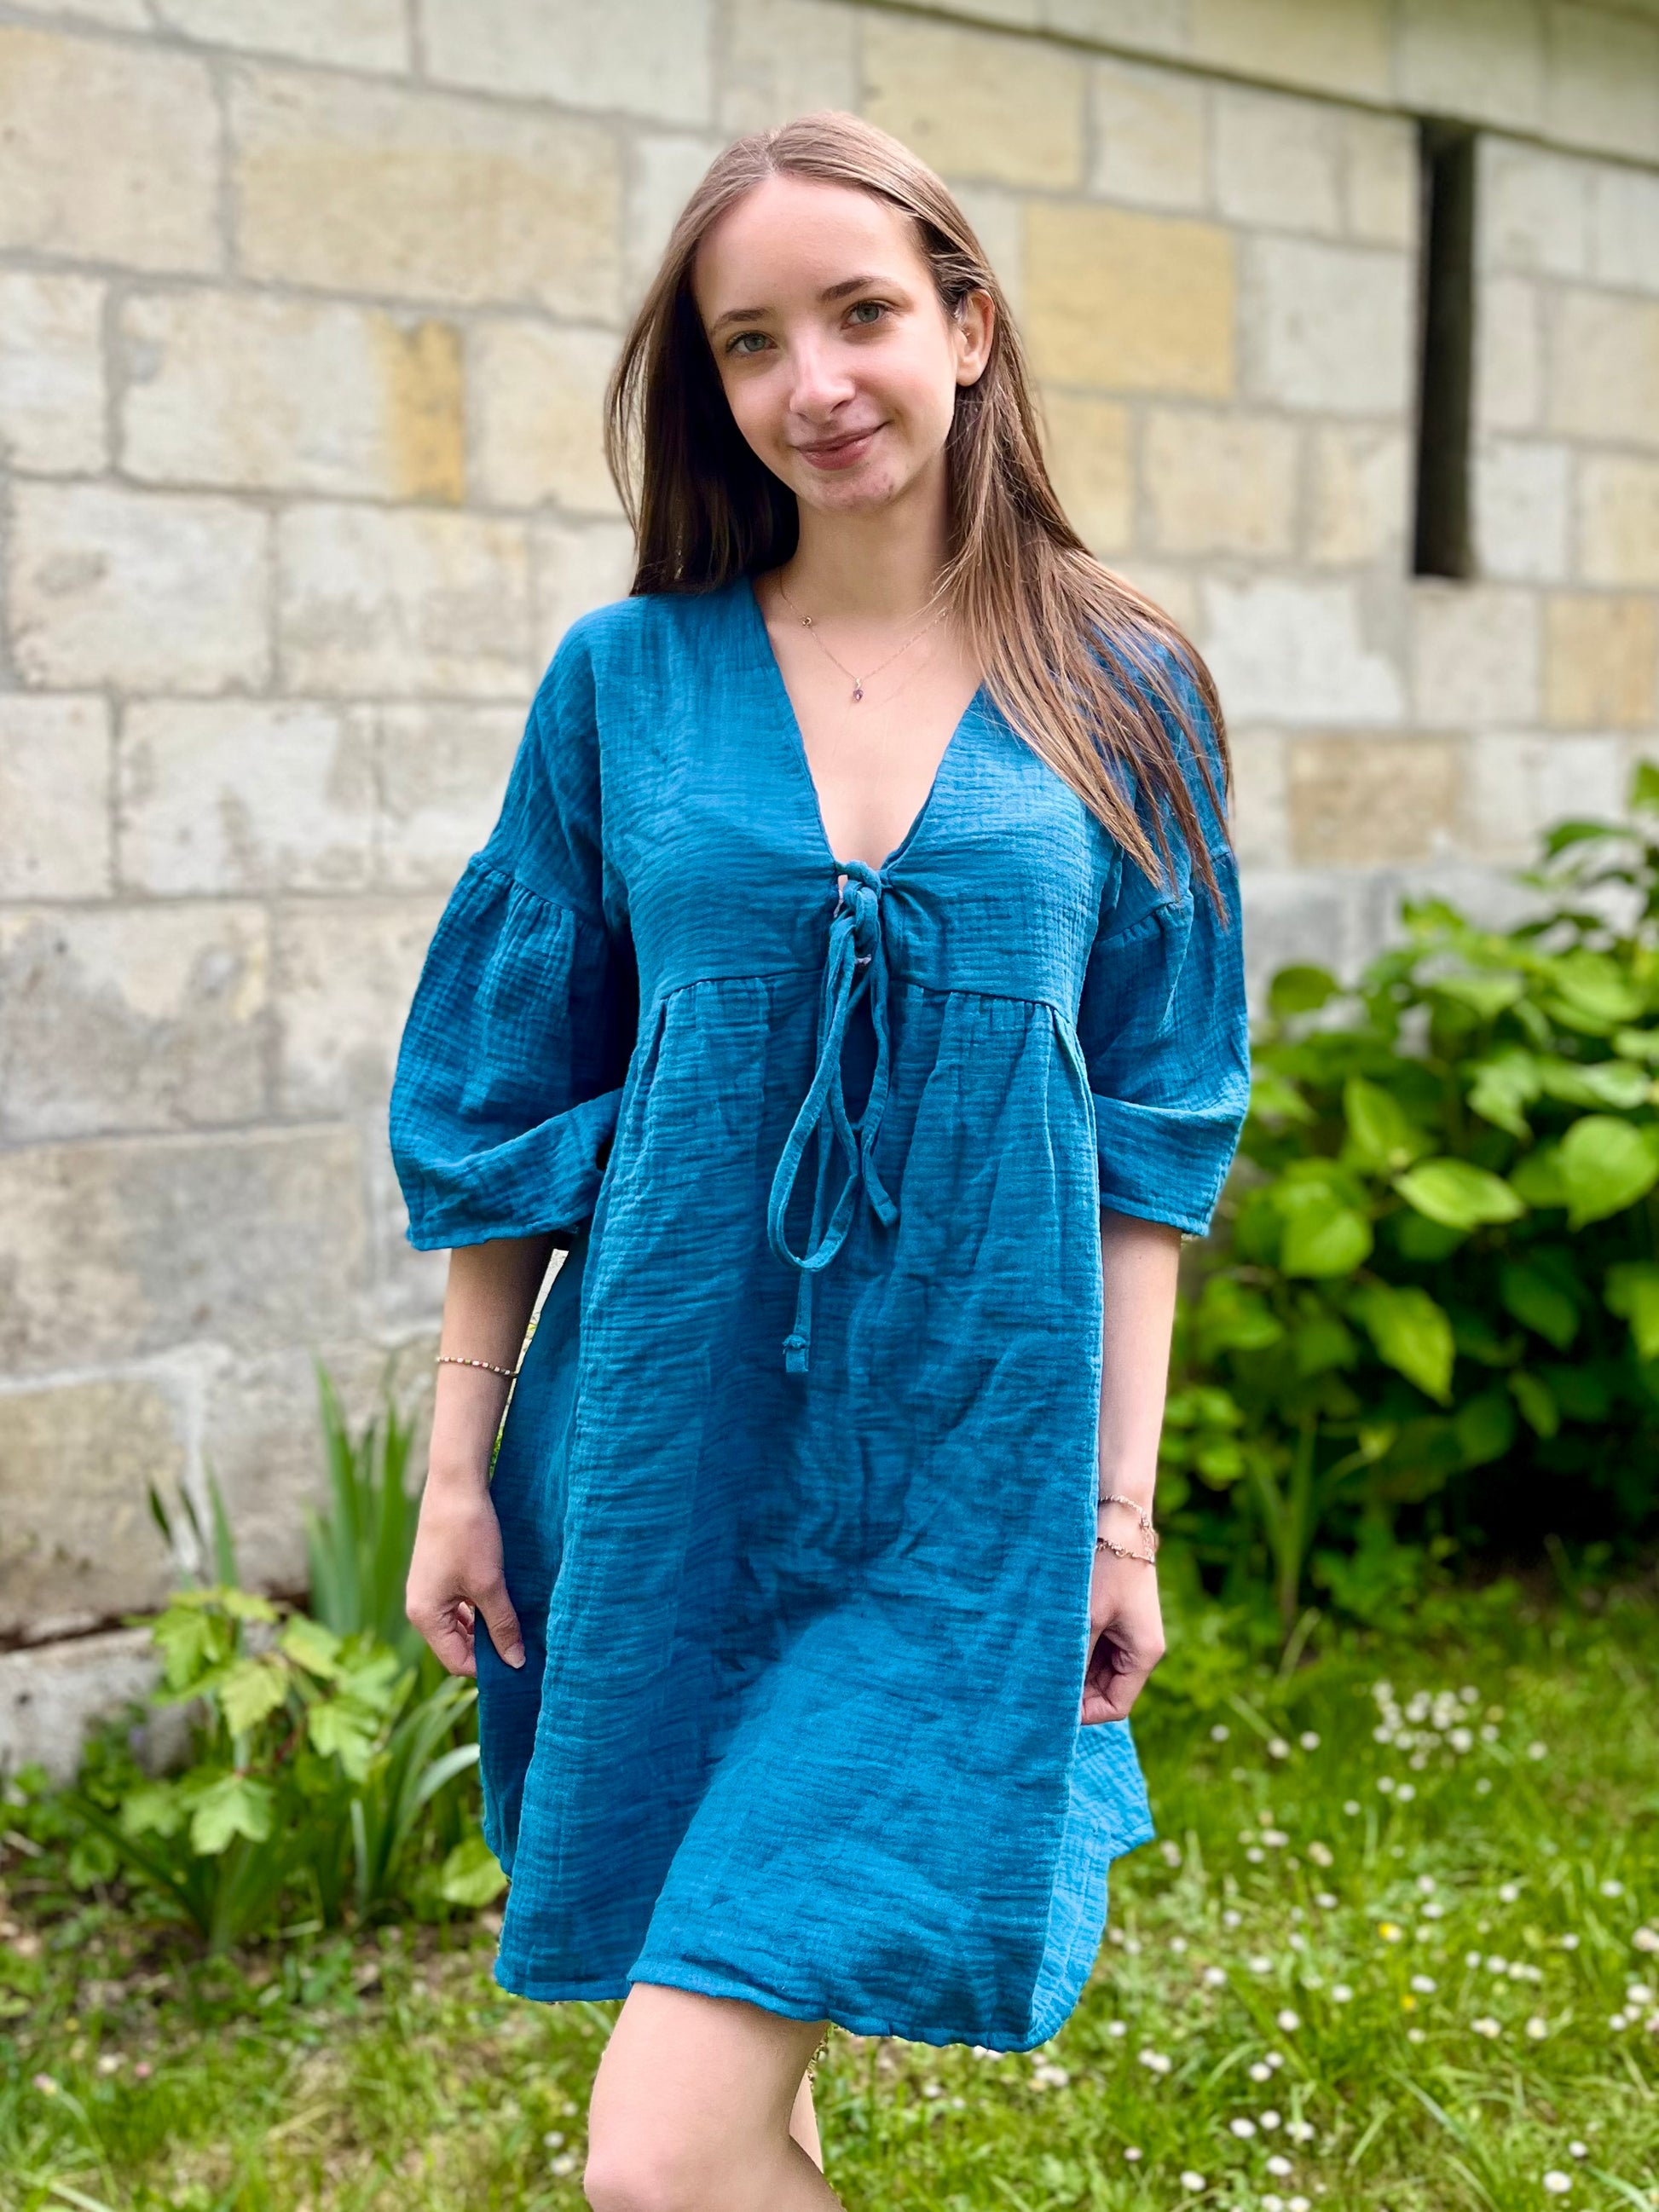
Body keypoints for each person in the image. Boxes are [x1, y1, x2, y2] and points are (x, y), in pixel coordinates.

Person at [389, 109, 1250, 2212]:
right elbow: (512, 1094)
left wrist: (1117, 1515)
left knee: (658, 2156)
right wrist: (456, 1465)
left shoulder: (1123, 689)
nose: (814, 382)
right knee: (729, 2093)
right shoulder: (624, 682)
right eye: (751, 341)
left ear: (968, 328)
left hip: (966, 1476)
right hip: (660, 1454)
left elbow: (1154, 1138)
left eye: (860, 313)